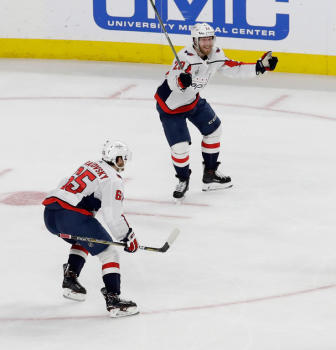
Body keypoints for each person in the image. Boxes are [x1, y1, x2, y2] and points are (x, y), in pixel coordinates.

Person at [154, 22, 279, 200]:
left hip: (192, 100)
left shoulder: (216, 53)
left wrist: (260, 67)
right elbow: (172, 79)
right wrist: (180, 81)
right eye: (203, 40)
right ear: (195, 41)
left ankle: (210, 174)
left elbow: (233, 67)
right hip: (171, 106)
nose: (207, 43)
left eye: (209, 39)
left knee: (214, 130)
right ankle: (183, 179)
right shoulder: (185, 57)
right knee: (180, 148)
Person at [42, 140, 139, 318]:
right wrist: (127, 236)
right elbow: (113, 215)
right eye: (122, 159)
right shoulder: (112, 179)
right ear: (115, 158)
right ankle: (114, 301)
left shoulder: (90, 164)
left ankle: (70, 279)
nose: (123, 164)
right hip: (71, 216)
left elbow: (65, 182)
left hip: (50, 214)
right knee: (109, 253)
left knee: (85, 239)